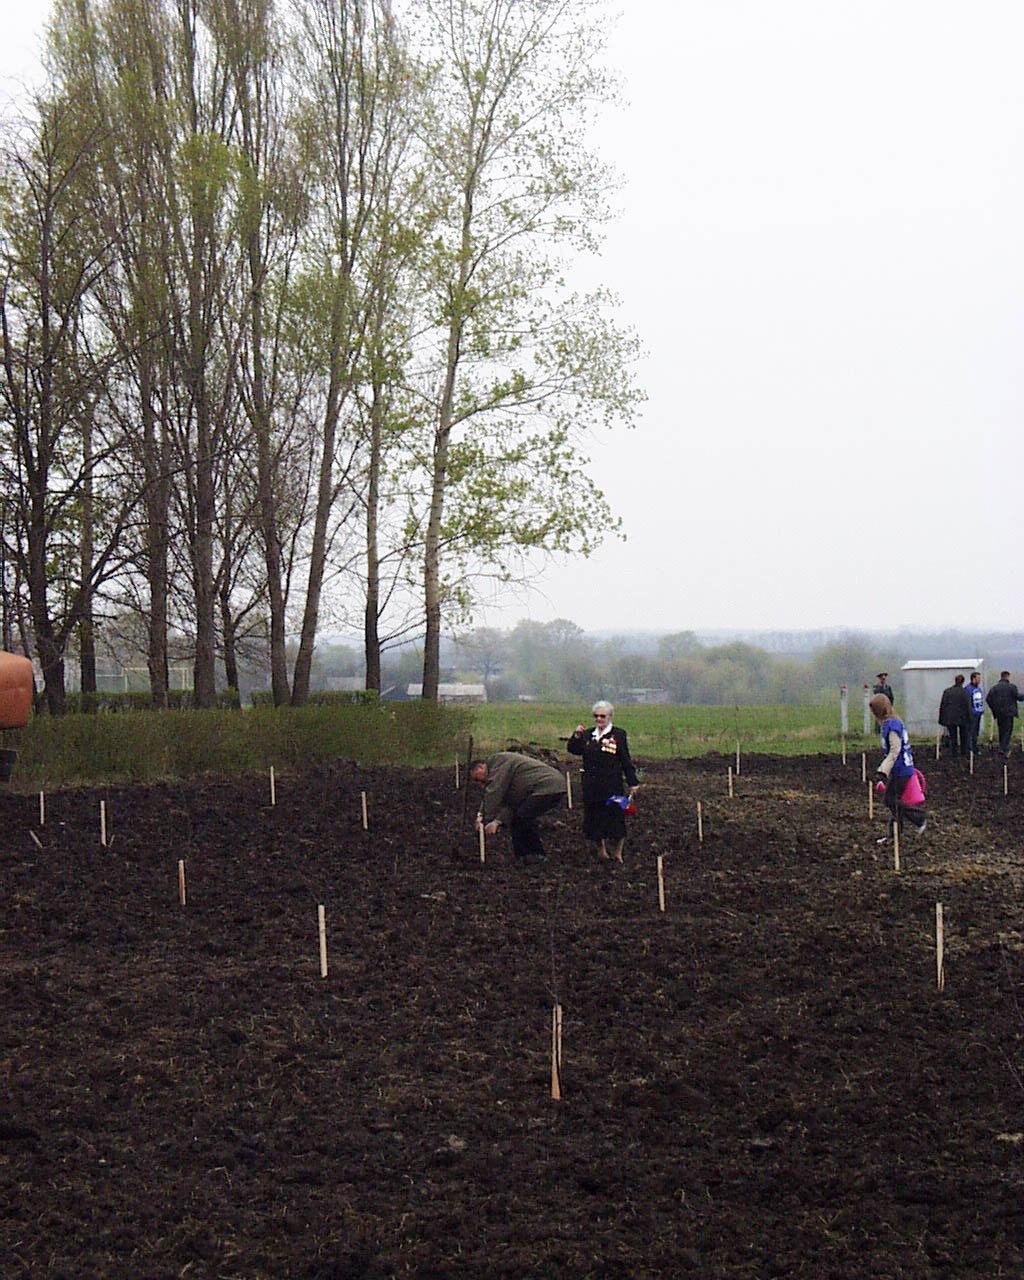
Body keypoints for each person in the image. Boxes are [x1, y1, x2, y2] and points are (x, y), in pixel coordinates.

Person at [566, 700, 639, 863]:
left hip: (612, 786)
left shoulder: (618, 735)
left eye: (602, 716)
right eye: (596, 716)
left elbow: (626, 760)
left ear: (610, 717)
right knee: (594, 820)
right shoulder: (588, 735)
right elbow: (573, 749)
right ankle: (601, 851)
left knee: (616, 819)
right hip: (591, 786)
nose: (599, 719)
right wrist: (576, 735)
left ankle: (618, 854)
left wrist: (633, 782)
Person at [471, 752, 566, 863]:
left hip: (549, 786)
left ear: (481, 767)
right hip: (538, 789)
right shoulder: (507, 778)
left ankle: (537, 854)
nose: (480, 783)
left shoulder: (499, 763)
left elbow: (494, 792)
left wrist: (481, 816)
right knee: (517, 818)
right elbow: (511, 804)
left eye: (478, 779)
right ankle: (522, 856)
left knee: (524, 816)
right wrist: (497, 822)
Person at [869, 693, 926, 840]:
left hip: (901, 770)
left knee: (890, 800)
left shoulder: (892, 726)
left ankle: (919, 817)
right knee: (894, 802)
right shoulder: (894, 722)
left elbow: (895, 750)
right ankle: (894, 835)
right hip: (901, 768)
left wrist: (882, 771)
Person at [985, 671, 1024, 760]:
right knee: (1008, 731)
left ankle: (1002, 747)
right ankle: (1003, 749)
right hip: (1009, 713)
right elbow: (1019, 697)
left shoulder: (994, 688)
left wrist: (994, 709)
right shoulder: (1012, 687)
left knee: (1001, 730)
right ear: (1008, 677)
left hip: (999, 714)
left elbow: (988, 699)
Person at [938, 673, 971, 758]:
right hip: (962, 718)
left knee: (953, 736)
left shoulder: (947, 692)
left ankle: (954, 753)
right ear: (963, 682)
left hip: (950, 718)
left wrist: (942, 719)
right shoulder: (965, 692)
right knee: (963, 735)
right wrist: (970, 718)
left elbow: (943, 705)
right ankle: (963, 752)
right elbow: (968, 706)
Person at [967, 671, 985, 757]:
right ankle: (970, 749)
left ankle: (975, 748)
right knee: (971, 732)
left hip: (978, 714)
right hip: (972, 715)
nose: (980, 680)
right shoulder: (968, 689)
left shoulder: (978, 689)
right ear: (973, 679)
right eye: (978, 678)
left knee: (976, 733)